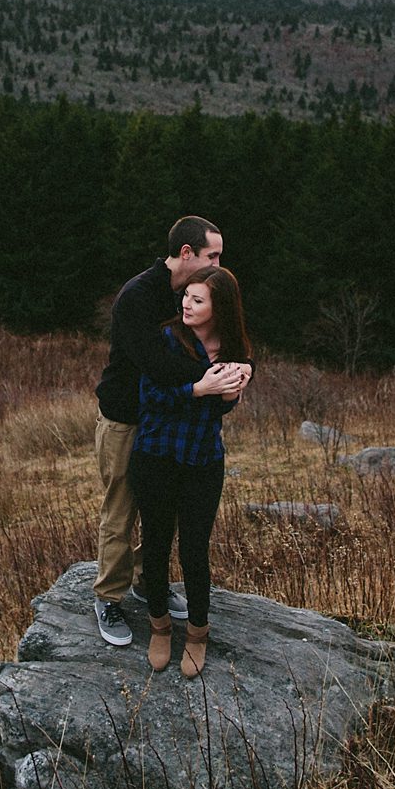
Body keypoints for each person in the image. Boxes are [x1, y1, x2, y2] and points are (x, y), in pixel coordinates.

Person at [91, 217, 250, 647]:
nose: (218, 263)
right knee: (121, 510)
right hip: (127, 418)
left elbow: (219, 338)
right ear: (186, 254)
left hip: (166, 424)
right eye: (211, 255)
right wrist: (211, 379)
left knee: (159, 515)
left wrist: (237, 369)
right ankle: (108, 596)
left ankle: (148, 583)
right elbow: (156, 367)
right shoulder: (138, 297)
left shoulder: (189, 295)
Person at [131, 264, 252, 677]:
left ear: (218, 309)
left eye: (197, 300)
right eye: (187, 296)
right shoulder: (167, 339)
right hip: (157, 455)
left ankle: (198, 632)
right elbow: (150, 397)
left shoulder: (232, 350)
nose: (186, 303)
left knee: (195, 549)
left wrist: (231, 389)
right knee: (157, 545)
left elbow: (223, 407)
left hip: (202, 459)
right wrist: (199, 389)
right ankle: (160, 627)